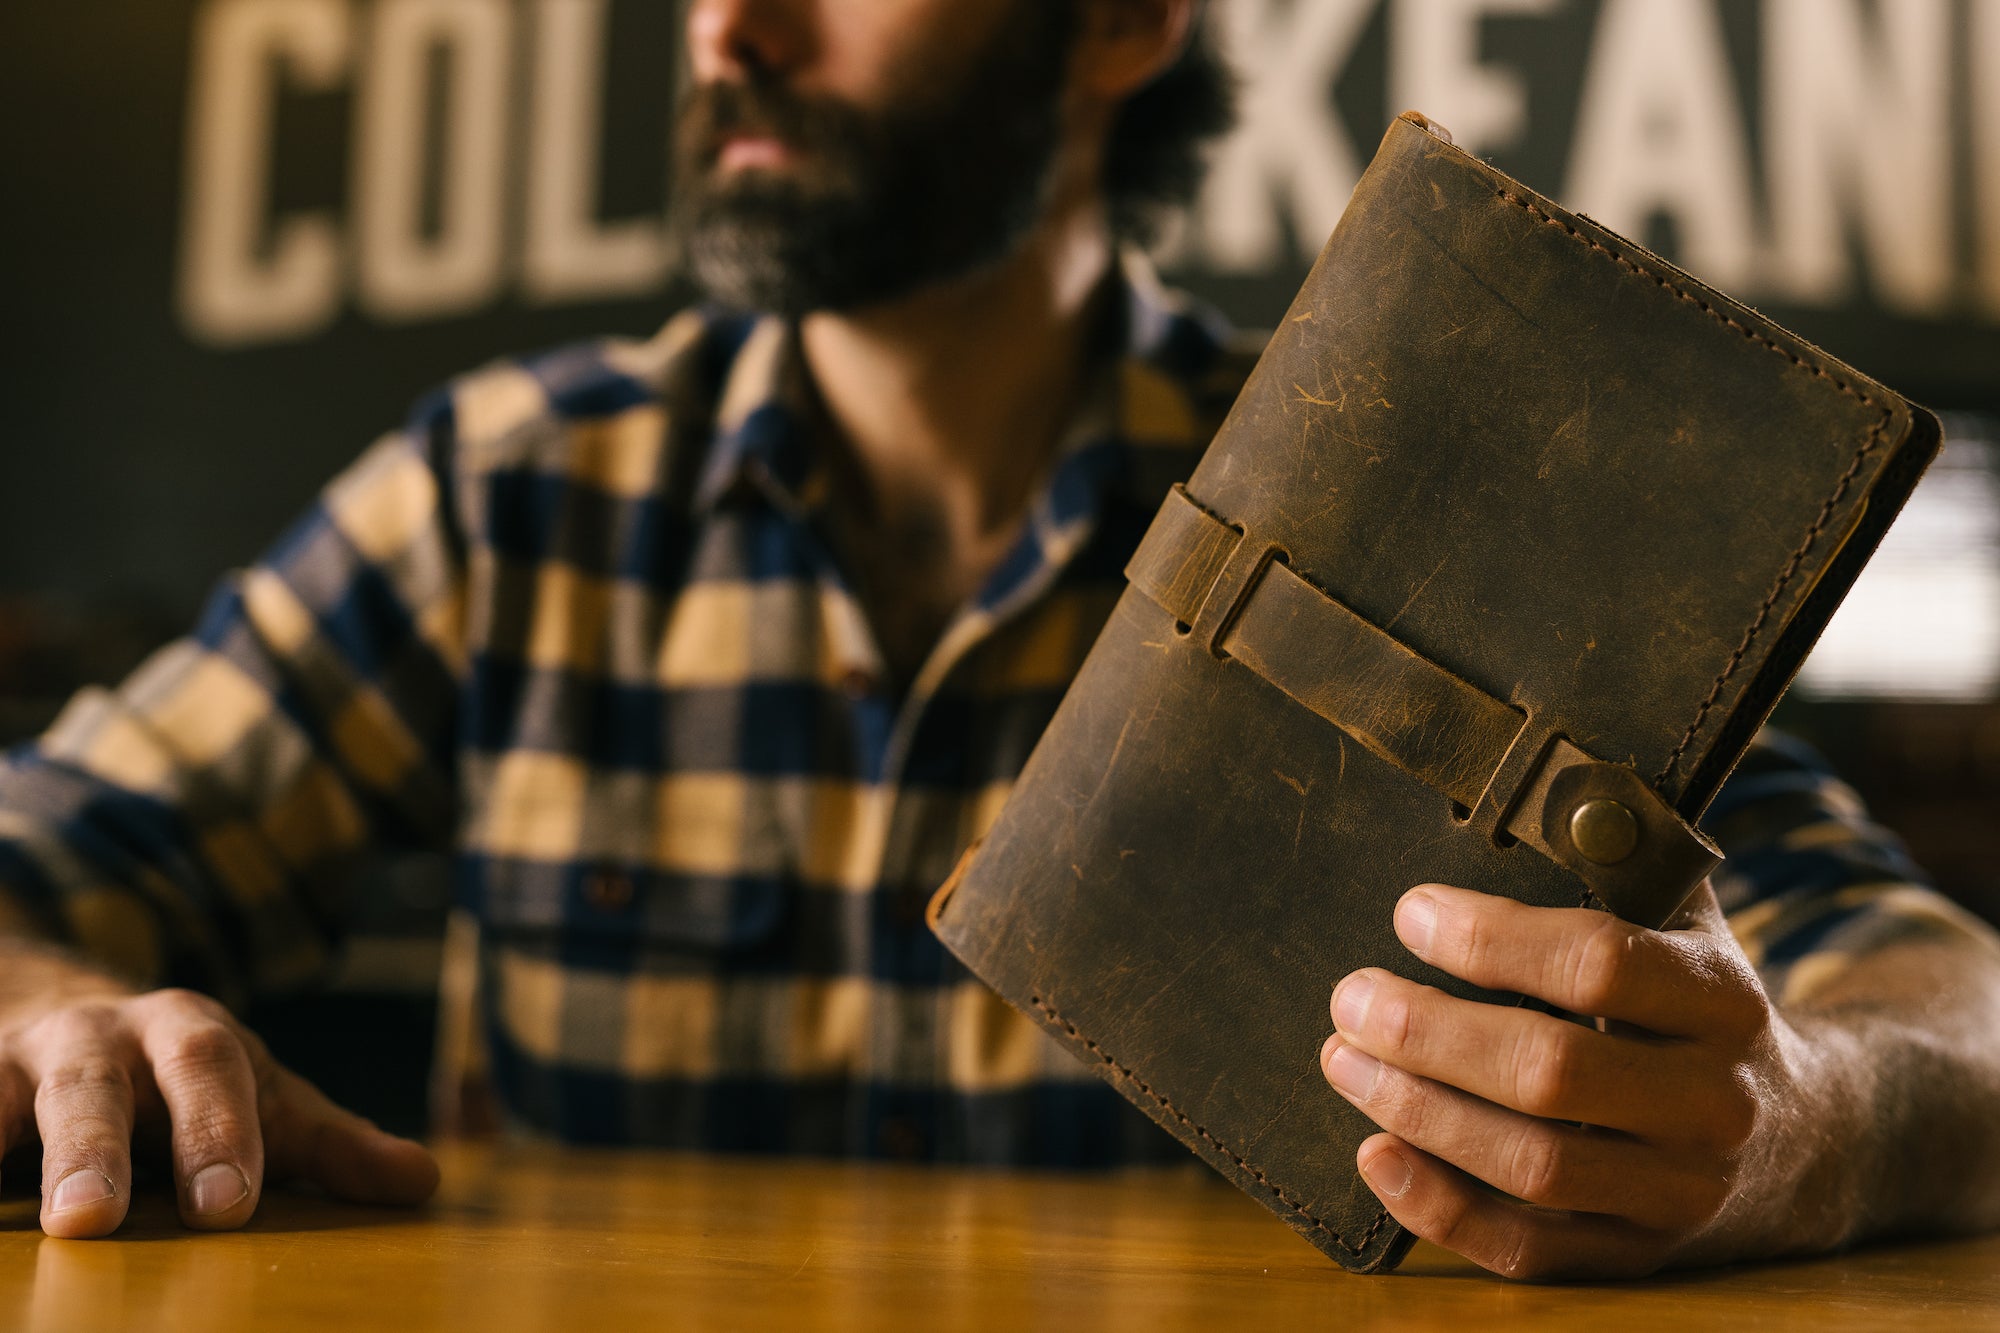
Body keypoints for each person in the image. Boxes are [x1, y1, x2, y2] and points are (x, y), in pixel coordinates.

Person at [1, 0, 1997, 1282]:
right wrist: (44, 1008)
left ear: (1125, 21)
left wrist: (1805, 1120)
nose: (729, 31)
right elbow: (35, 865)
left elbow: (1952, 1007)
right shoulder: (503, 496)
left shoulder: (1403, 502)